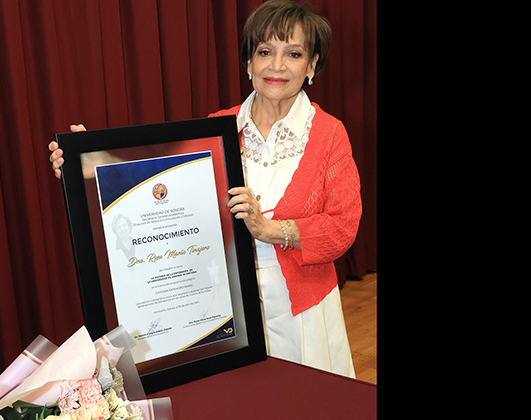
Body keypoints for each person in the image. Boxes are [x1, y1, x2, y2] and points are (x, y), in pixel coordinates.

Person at [47, 0, 361, 378]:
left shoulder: (330, 134)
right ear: (249, 63)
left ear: (311, 66)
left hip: (302, 312)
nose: (277, 66)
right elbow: (161, 185)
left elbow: (343, 226)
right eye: (264, 52)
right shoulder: (217, 128)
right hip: (224, 308)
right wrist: (90, 164)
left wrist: (270, 230)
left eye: (293, 54)